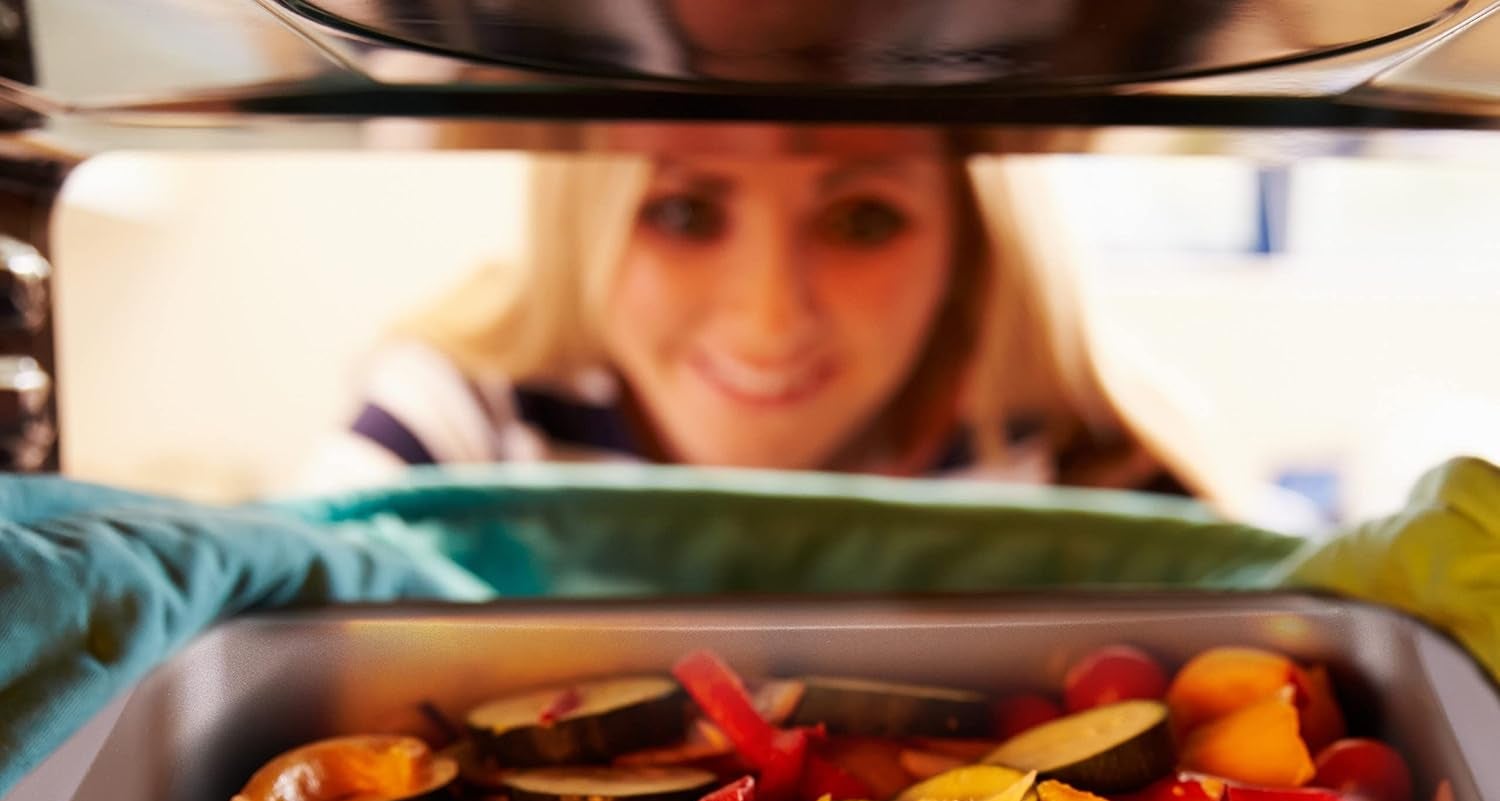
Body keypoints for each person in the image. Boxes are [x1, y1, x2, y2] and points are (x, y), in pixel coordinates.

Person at [301, 128, 1282, 522]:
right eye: (684, 213)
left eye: (861, 220)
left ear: (968, 240)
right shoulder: (462, 417)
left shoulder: (1091, 464)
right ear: (583, 224)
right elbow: (296, 573)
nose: (769, 320)